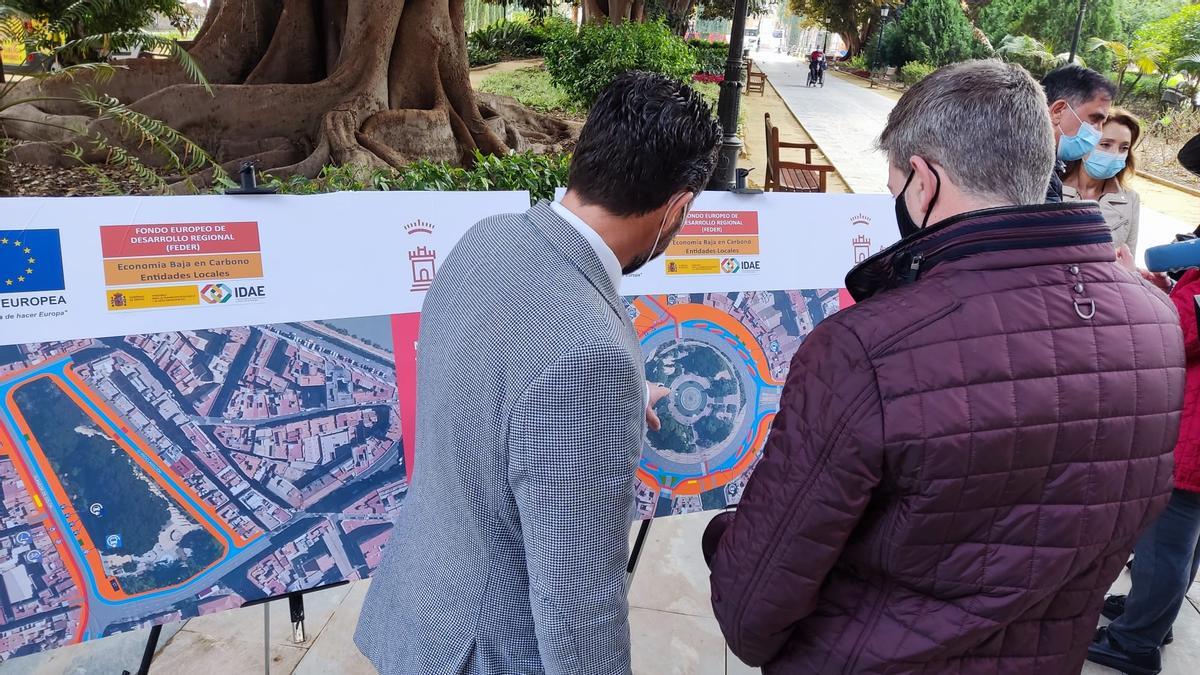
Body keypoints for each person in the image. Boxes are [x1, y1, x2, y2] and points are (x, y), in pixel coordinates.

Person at [702, 59, 1183, 673]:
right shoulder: (1152, 318)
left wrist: (724, 538)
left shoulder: (868, 346)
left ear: (923, 182)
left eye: (896, 183)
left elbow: (755, 606)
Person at [353, 71, 719, 675]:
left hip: (424, 608)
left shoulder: (487, 240)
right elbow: (578, 604)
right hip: (493, 649)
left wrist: (623, 397)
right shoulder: (588, 360)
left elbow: (504, 385)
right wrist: (607, 394)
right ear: (677, 208)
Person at [1086, 155, 1200, 675]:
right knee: (1184, 543)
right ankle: (1153, 615)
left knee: (1163, 545)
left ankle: (1135, 642)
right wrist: (1155, 284)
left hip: (1192, 440)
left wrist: (1130, 284)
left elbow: (1182, 328)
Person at [1062, 109, 1142, 253]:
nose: (1114, 154)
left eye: (1124, 148)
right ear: (1084, 143)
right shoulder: (1051, 188)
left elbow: (1127, 262)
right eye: (1105, 144)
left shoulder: (1130, 200)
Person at [1042, 64, 1116, 203]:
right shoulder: (1026, 169)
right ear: (1058, 111)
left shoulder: (1047, 166)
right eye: (1094, 120)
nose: (1099, 132)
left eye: (1102, 123)